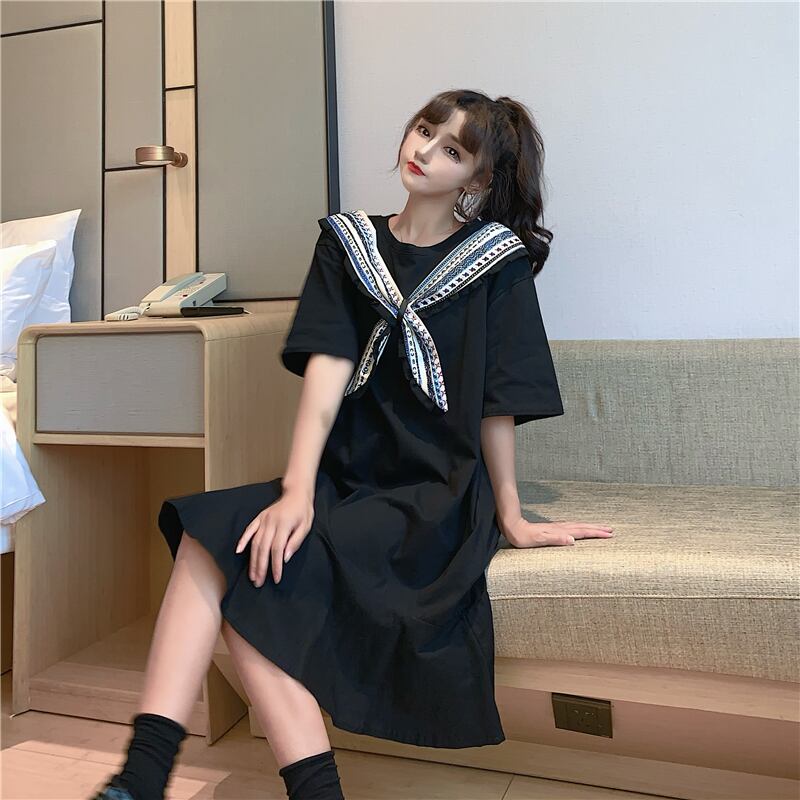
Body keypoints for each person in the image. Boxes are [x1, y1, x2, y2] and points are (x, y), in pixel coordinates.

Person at [90, 89, 614, 800]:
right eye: (424, 129)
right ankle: (143, 775)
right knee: (218, 538)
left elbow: (499, 401)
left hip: (434, 492)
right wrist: (296, 491)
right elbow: (327, 375)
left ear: (479, 177)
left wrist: (510, 513)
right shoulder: (348, 243)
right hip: (346, 477)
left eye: (452, 150)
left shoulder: (496, 260)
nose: (424, 151)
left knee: (248, 569)